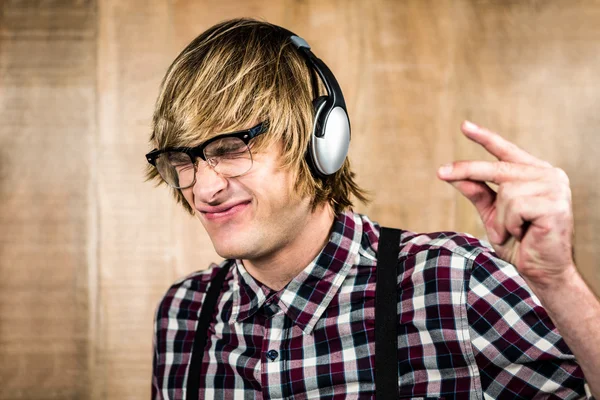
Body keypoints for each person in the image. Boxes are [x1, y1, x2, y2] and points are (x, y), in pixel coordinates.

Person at [146, 18, 599, 399]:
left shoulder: (452, 283)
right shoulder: (183, 313)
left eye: (229, 148)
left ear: (320, 144)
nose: (204, 188)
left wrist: (558, 283)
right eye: (181, 160)